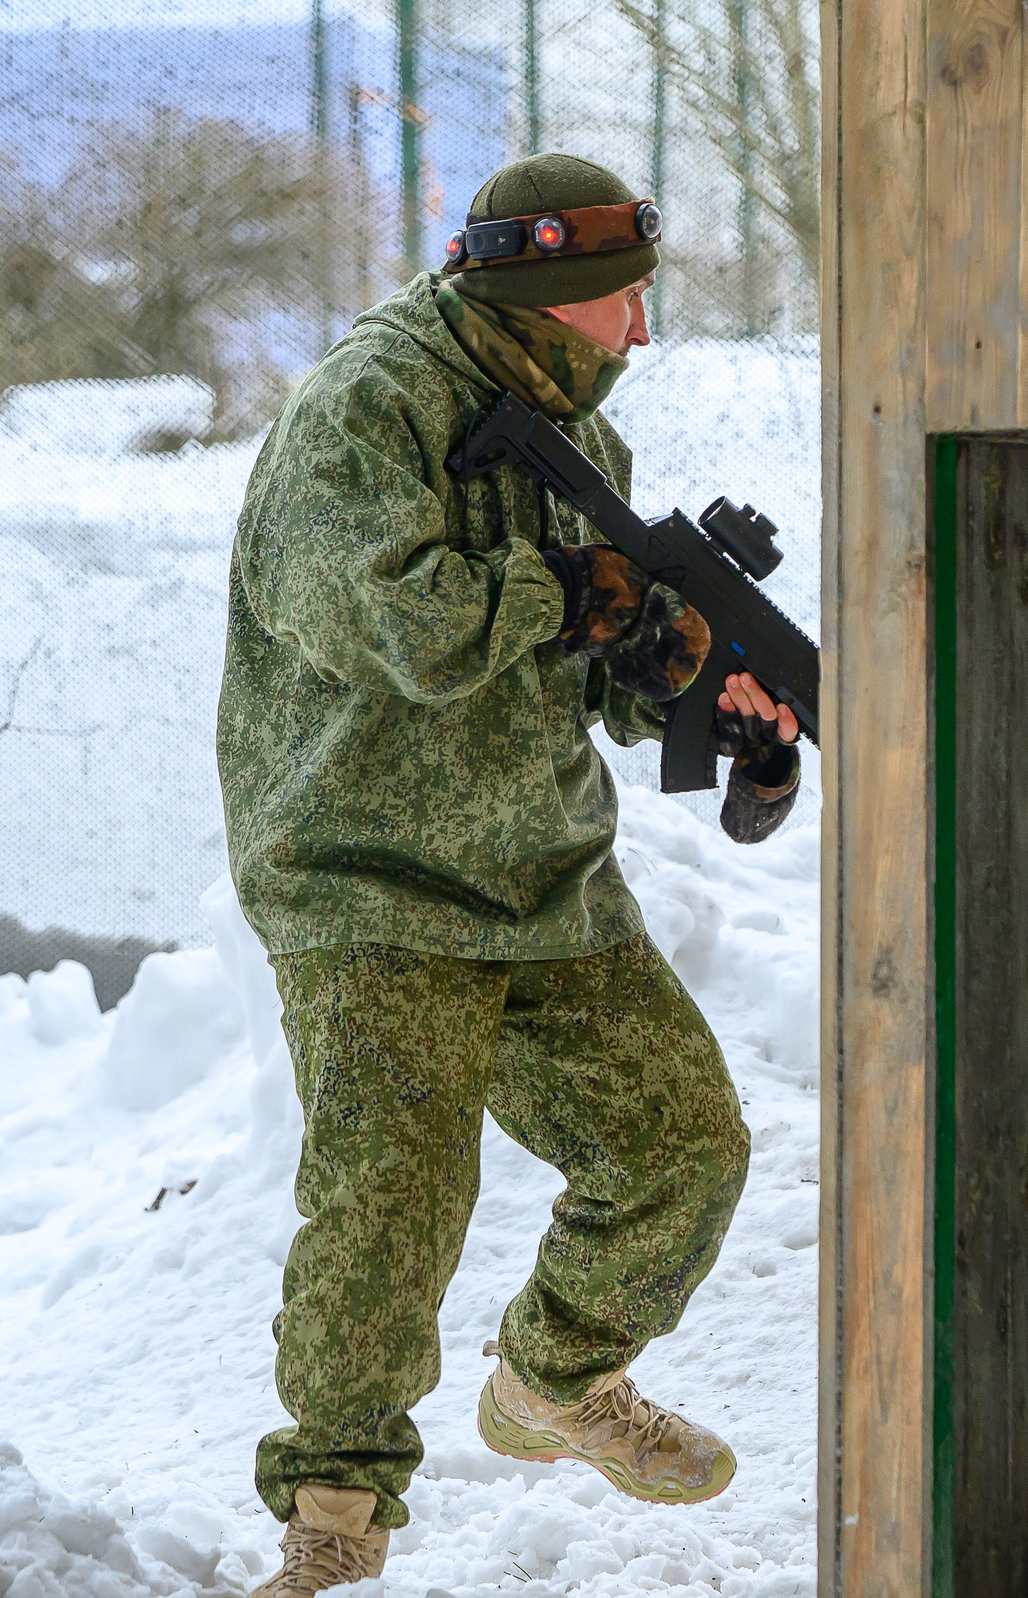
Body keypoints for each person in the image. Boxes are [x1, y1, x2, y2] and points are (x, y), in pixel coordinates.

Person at [215, 151, 803, 1594]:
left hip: (542, 873)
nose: (641, 333)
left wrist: (704, 697)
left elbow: (596, 667)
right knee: (389, 1206)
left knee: (683, 1147)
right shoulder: (366, 409)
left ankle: (551, 1382)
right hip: (367, 875)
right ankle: (334, 1522)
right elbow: (386, 621)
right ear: (545, 298)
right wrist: (575, 594)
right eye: (620, 303)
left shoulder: (581, 438)